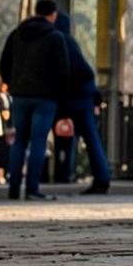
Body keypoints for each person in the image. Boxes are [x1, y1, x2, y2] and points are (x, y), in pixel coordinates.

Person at [0, 0, 70, 200]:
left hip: (20, 95)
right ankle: (32, 188)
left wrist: (12, 84)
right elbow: (63, 71)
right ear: (53, 15)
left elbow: (4, 64)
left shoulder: (16, 34)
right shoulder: (56, 37)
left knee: (20, 139)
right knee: (39, 141)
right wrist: (62, 99)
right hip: (45, 97)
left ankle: (13, 188)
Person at [55, 11, 111, 194]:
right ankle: (102, 176)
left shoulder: (59, 42)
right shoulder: (71, 42)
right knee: (91, 138)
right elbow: (85, 71)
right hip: (84, 96)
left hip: (73, 97)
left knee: (70, 137)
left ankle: (62, 173)